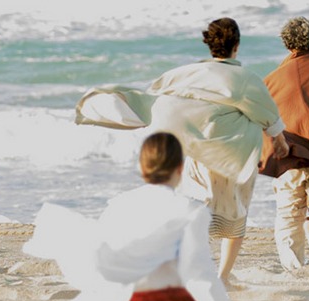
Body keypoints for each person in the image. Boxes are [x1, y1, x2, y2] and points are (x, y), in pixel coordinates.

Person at [24, 132, 244, 301]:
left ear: (142, 167)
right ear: (180, 168)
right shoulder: (190, 211)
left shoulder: (119, 205)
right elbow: (198, 272)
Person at [75, 17, 289, 283]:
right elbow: (265, 112)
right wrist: (279, 141)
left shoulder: (186, 72)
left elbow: (157, 91)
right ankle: (221, 276)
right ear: (237, 45)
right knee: (234, 216)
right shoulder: (245, 78)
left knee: (197, 206)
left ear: (210, 45)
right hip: (228, 153)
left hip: (190, 147)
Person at [259, 17, 309, 270]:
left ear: (286, 45)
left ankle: (294, 271)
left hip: (288, 156)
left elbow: (261, 119)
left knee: (288, 217)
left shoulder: (272, 80)